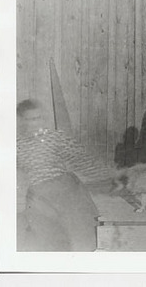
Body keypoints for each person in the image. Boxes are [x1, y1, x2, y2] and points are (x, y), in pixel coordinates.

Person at [16, 99, 110, 251]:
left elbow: (81, 159)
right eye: (29, 119)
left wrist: (105, 176)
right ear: (22, 121)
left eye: (38, 118)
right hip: (38, 194)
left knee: (77, 230)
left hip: (63, 189)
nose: (35, 123)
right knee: (45, 236)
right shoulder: (18, 144)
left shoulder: (55, 137)